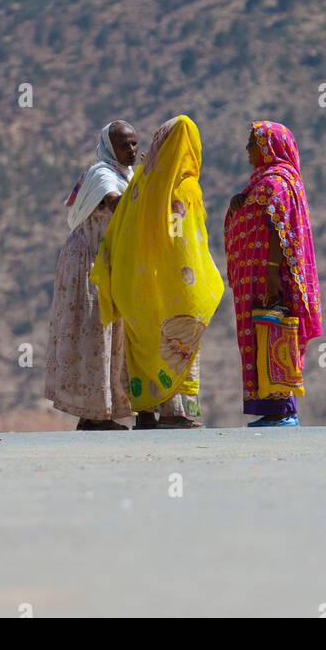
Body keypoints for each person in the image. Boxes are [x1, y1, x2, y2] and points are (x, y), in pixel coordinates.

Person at [90, 115, 224, 430]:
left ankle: (146, 411)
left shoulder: (144, 182)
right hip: (174, 281)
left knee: (144, 342)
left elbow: (128, 223)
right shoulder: (184, 186)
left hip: (135, 280)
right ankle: (174, 412)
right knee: (179, 340)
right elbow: (181, 239)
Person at [224, 120, 322, 427]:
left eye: (253, 143)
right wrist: (238, 204)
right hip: (258, 279)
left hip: (268, 279)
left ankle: (282, 409)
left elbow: (279, 232)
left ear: (269, 147)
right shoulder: (261, 183)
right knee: (262, 336)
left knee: (273, 335)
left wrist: (271, 274)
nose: (247, 149)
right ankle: (272, 409)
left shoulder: (275, 183)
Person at [45, 120, 139, 430]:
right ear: (111, 147)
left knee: (110, 335)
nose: (132, 150)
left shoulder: (127, 176)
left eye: (135, 144)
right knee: (95, 332)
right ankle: (94, 415)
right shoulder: (102, 174)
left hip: (107, 263)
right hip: (87, 263)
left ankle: (100, 412)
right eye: (124, 145)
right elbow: (116, 205)